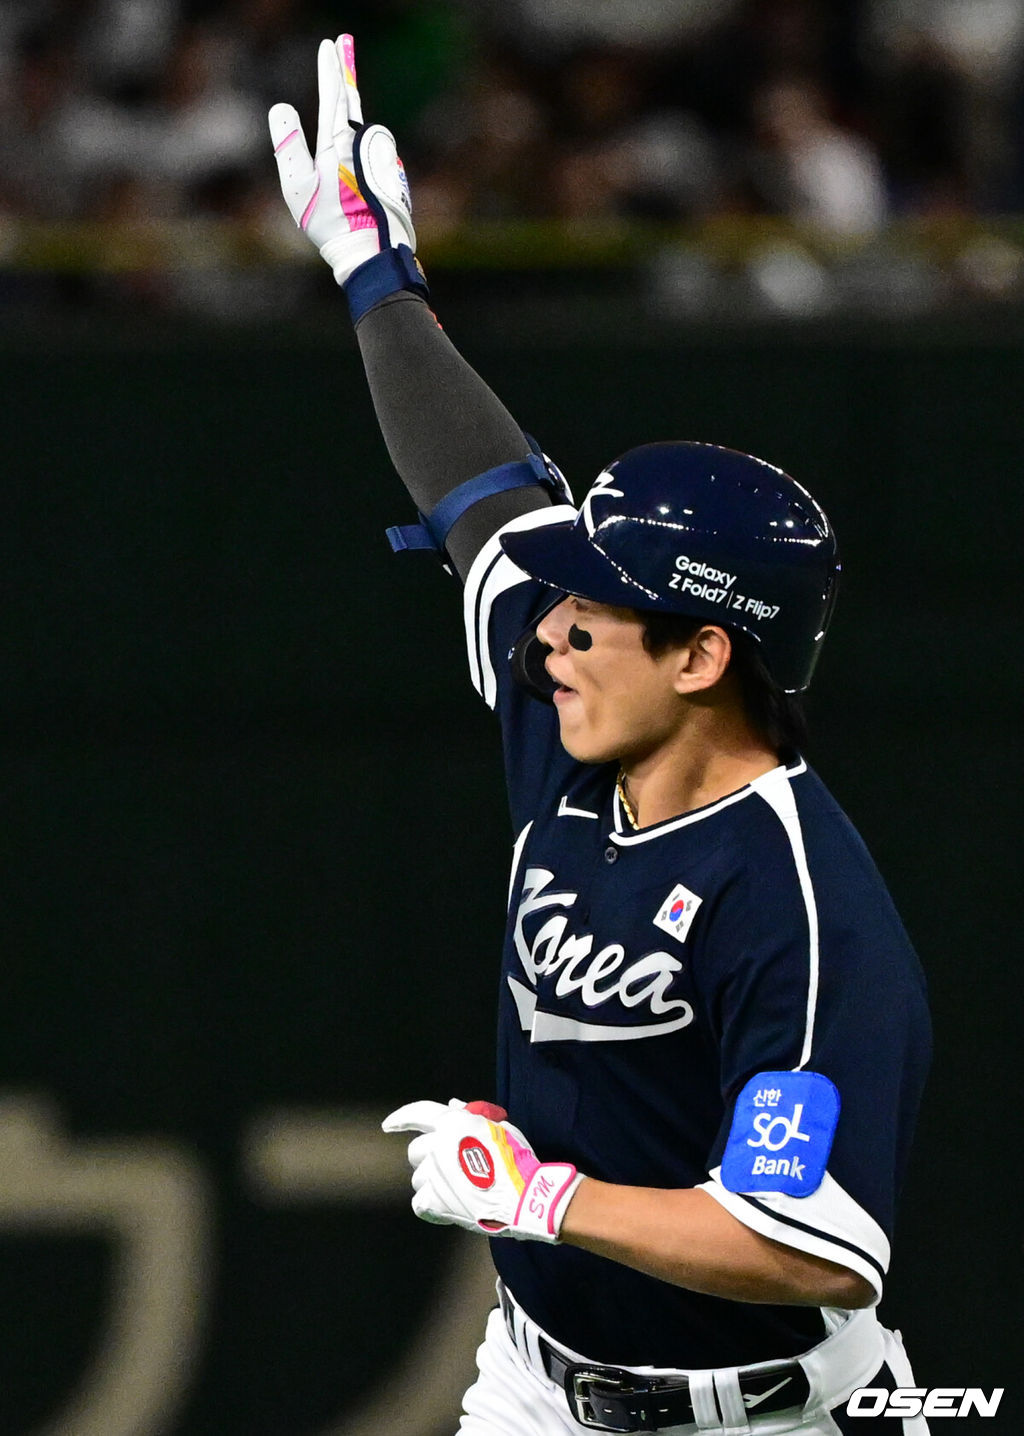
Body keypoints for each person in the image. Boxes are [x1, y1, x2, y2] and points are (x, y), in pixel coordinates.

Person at [269, 35, 932, 1436]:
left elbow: (800, 1243)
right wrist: (373, 273)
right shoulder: (575, 718)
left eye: (602, 609)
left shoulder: (799, 909)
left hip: (768, 1414)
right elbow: (480, 498)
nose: (552, 628)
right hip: (535, 1387)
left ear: (703, 654)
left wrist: (541, 1200)